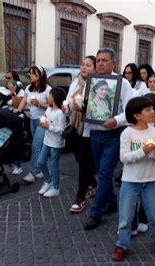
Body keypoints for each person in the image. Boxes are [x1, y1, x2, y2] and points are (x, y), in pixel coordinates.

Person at [111, 96, 155, 261]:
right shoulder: (127, 133)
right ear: (137, 115)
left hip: (149, 180)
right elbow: (124, 157)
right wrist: (143, 151)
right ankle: (122, 244)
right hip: (130, 181)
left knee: (154, 214)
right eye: (148, 110)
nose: (153, 112)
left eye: (152, 109)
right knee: (126, 216)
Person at [83, 47, 133, 230]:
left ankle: (96, 212)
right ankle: (111, 200)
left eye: (104, 60)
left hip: (113, 135)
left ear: (113, 63)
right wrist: (81, 105)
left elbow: (130, 111)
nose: (100, 63)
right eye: (98, 60)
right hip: (95, 134)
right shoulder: (92, 82)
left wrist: (116, 120)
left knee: (104, 173)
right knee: (101, 172)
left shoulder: (123, 84)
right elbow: (88, 106)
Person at [129, 93, 155, 235]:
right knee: (131, 195)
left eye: (150, 108)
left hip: (151, 167)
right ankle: (132, 223)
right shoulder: (134, 126)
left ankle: (144, 219)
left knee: (147, 196)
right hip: (134, 166)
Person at [66, 55, 98, 213]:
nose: (84, 68)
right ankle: (92, 183)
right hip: (76, 126)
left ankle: (80, 197)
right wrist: (68, 107)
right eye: (83, 65)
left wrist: (85, 107)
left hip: (92, 129)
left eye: (88, 65)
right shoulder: (75, 83)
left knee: (87, 162)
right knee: (80, 159)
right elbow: (68, 102)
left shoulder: (98, 84)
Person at [15, 65, 52, 183]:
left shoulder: (48, 89)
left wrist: (39, 105)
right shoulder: (28, 89)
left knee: (35, 146)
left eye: (33, 73)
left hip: (43, 120)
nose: (30, 75)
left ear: (40, 75)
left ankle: (32, 173)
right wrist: (17, 110)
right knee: (40, 146)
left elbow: (52, 105)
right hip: (32, 120)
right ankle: (44, 169)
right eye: (29, 73)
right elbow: (23, 102)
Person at [37, 88, 67, 197]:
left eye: (50, 95)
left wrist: (49, 127)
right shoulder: (48, 110)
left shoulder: (60, 114)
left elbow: (62, 130)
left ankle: (56, 187)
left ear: (54, 98)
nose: (47, 97)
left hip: (56, 143)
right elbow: (45, 121)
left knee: (54, 164)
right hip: (47, 141)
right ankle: (48, 181)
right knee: (41, 162)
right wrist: (43, 123)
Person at [5, 70, 25, 175]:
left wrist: (13, 92)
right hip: (6, 118)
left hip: (16, 119)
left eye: (9, 78)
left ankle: (18, 165)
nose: (6, 80)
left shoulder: (20, 91)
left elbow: (17, 105)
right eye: (6, 77)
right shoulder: (4, 90)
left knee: (16, 142)